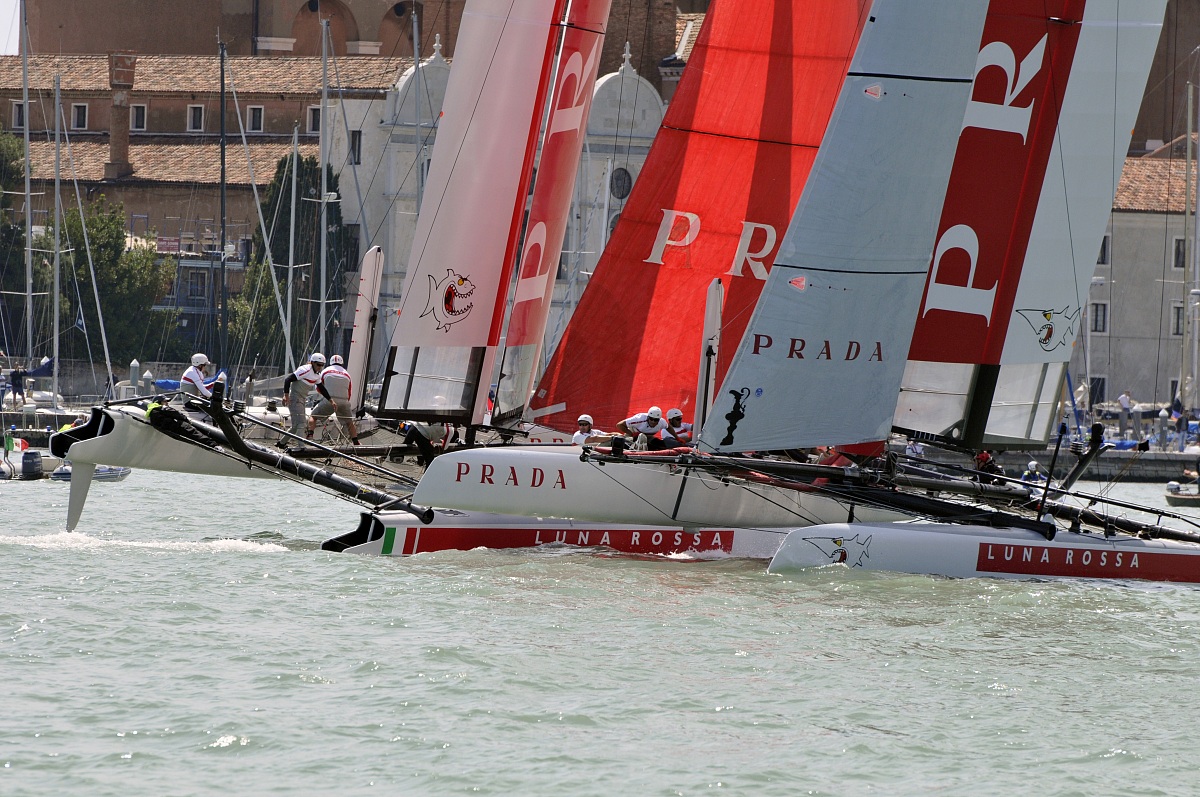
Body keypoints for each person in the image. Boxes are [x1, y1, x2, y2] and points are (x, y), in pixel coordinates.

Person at [308, 354, 360, 445]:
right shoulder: (347, 374)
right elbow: (349, 392)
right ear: (342, 363)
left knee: (313, 416)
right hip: (344, 401)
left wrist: (327, 398)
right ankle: (356, 441)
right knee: (349, 422)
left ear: (330, 362)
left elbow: (319, 388)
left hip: (330, 401)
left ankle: (310, 436)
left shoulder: (325, 371)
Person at [281, 352, 325, 438]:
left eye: (322, 365)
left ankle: (281, 443)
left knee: (295, 427)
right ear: (312, 362)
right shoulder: (305, 370)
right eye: (318, 364)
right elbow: (287, 380)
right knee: (301, 424)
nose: (320, 367)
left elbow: (322, 389)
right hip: (294, 398)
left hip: (302, 400)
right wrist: (286, 395)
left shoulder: (317, 375)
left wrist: (331, 400)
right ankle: (301, 446)